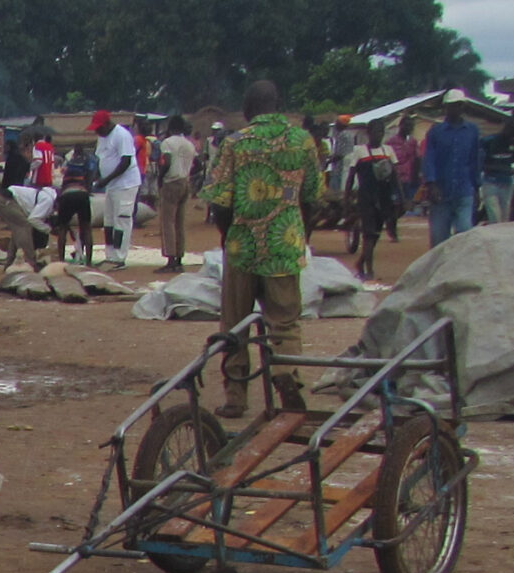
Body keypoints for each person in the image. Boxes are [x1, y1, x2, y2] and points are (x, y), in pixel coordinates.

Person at [202, 80, 324, 419]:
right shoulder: (302, 140)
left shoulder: (236, 143)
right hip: (284, 244)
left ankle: (236, 397)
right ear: (278, 104)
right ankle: (286, 376)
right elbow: (313, 197)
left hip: (243, 245)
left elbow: (221, 203)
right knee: (284, 323)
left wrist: (228, 238)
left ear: (247, 109)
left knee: (235, 324)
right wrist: (301, 235)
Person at [344, 127, 399, 281]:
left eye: (380, 132)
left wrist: (401, 197)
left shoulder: (388, 150)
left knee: (376, 233)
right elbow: (351, 175)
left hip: (383, 198)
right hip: (366, 197)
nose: (378, 135)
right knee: (368, 234)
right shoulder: (360, 152)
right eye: (376, 132)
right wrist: (346, 198)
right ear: (369, 133)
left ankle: (361, 262)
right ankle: (369, 269)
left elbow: (395, 175)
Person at [423, 104, 483, 243]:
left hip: (464, 190)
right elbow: (429, 159)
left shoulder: (472, 131)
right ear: (446, 108)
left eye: (458, 105)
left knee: (465, 232)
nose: (456, 109)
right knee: (439, 238)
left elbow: (475, 160)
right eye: (452, 106)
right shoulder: (436, 132)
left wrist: (476, 187)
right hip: (441, 193)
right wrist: (431, 184)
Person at [92, 110, 141, 266]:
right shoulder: (102, 137)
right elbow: (100, 159)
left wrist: (105, 180)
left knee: (122, 220)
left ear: (107, 124)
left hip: (125, 184)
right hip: (112, 186)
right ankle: (110, 255)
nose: (97, 131)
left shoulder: (122, 135)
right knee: (109, 221)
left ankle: (119, 258)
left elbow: (125, 162)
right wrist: (96, 177)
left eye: (99, 127)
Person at [154, 115, 200, 273]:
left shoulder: (167, 143)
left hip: (171, 182)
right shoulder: (189, 144)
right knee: (180, 222)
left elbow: (165, 162)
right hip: (185, 182)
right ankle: (179, 258)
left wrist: (160, 178)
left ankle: (170, 259)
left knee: (168, 222)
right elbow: (198, 165)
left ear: (170, 127)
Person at [50, 142, 97, 264]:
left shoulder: (69, 164)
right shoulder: (88, 162)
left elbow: (63, 183)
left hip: (67, 194)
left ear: (74, 152)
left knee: (63, 228)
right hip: (82, 194)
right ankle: (89, 261)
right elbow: (90, 179)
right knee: (86, 227)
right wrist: (88, 190)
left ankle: (61, 259)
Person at [478, 120, 514, 225]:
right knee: (495, 216)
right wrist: (500, 169)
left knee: (505, 217)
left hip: (507, 183)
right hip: (491, 182)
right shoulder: (488, 141)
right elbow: (480, 163)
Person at [385, 123, 422, 238]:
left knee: (404, 206)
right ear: (401, 126)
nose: (408, 129)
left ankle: (391, 221)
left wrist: (417, 175)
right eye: (406, 126)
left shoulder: (412, 142)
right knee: (396, 204)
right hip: (394, 177)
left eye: (410, 127)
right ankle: (392, 228)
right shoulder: (391, 142)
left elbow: (417, 158)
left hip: (408, 177)